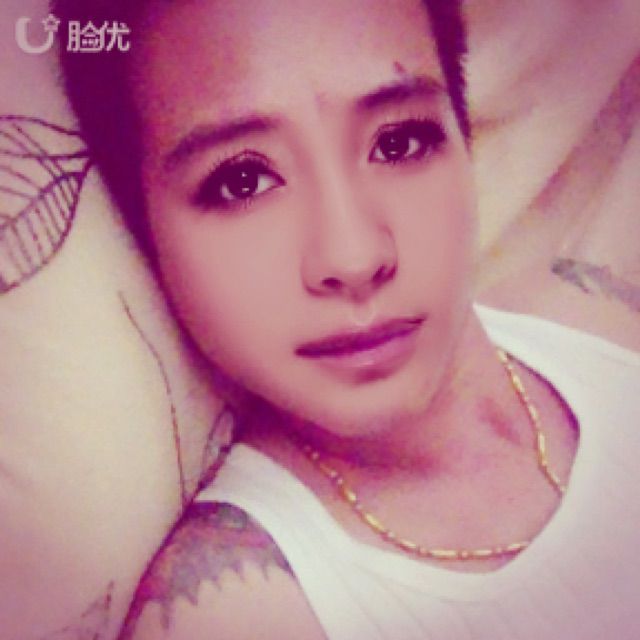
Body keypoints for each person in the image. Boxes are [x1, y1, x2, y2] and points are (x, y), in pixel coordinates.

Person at [54, 1, 640, 638]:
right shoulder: (232, 611)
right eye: (242, 181)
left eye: (399, 142)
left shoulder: (602, 321)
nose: (354, 257)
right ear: (143, 236)